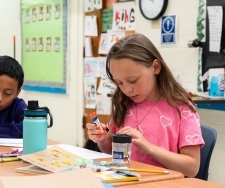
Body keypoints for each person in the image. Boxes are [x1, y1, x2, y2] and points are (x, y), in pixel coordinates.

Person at [86, 34, 204, 178]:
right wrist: (102, 139)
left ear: (155, 67)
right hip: (127, 183)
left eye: (133, 80)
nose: (127, 90)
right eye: (120, 83)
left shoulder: (181, 107)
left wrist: (149, 148)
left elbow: (192, 168)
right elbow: (110, 149)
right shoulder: (124, 103)